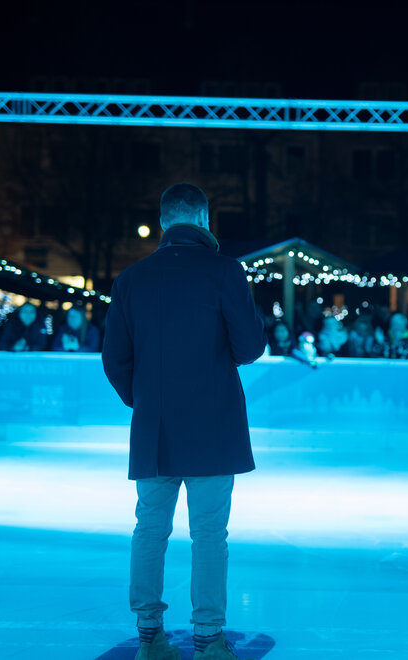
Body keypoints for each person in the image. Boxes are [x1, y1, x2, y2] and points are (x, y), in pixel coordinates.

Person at [102, 183, 266, 660]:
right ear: (203, 219)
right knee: (209, 534)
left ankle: (149, 637)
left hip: (155, 430)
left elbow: (114, 360)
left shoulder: (132, 279)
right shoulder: (225, 271)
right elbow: (250, 347)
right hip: (213, 429)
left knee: (150, 530)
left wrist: (144, 401)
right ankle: (208, 640)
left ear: (162, 222)